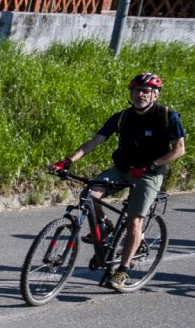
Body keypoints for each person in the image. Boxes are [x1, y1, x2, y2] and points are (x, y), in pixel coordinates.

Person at [58, 71, 185, 291]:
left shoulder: (167, 116)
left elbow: (179, 150)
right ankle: (105, 226)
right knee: (89, 194)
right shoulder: (122, 117)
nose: (140, 95)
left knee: (134, 221)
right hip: (122, 169)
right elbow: (95, 141)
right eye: (136, 90)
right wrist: (68, 161)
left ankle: (122, 271)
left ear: (155, 95)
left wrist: (152, 165)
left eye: (146, 91)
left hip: (148, 175)